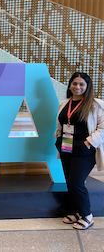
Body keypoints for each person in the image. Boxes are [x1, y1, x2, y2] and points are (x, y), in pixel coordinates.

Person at [54, 72, 104, 230]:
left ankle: (87, 215)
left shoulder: (96, 104)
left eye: (82, 84)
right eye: (74, 84)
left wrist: (89, 142)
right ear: (70, 85)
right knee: (70, 181)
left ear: (87, 87)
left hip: (85, 149)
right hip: (66, 146)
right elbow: (61, 123)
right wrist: (58, 138)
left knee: (77, 182)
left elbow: (102, 128)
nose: (77, 87)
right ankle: (75, 212)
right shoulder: (64, 103)